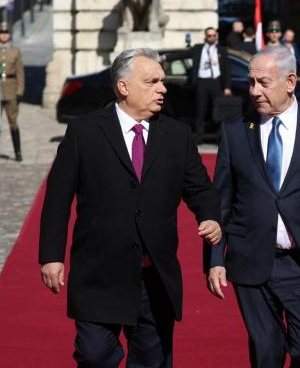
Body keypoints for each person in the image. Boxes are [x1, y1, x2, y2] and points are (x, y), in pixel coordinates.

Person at [38, 48, 223, 366]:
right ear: (123, 87)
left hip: (155, 276)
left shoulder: (177, 135)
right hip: (99, 274)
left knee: (152, 360)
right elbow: (57, 199)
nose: (162, 89)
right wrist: (51, 256)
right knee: (94, 356)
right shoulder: (84, 132)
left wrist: (210, 217)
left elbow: (201, 190)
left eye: (162, 81)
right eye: (152, 82)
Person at [206, 45, 300, 368]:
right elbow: (220, 202)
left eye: (263, 83)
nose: (254, 91)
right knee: (266, 351)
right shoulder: (236, 131)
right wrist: (215, 259)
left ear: (290, 82)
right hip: (251, 258)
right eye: (251, 82)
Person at [188, 27, 232, 141]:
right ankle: (199, 136)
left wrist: (227, 86)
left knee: (218, 109)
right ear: (205, 37)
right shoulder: (198, 48)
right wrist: (165, 57)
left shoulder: (221, 50)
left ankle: (219, 136)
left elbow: (226, 70)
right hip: (202, 82)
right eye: (209, 36)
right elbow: (183, 54)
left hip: (216, 82)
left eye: (214, 35)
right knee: (200, 110)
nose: (212, 37)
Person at [0, 21, 25, 162]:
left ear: (10, 35)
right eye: (2, 33)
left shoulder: (15, 51)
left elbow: (20, 73)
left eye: (6, 33)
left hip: (11, 90)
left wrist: (20, 91)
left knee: (13, 121)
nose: (4, 35)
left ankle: (17, 152)